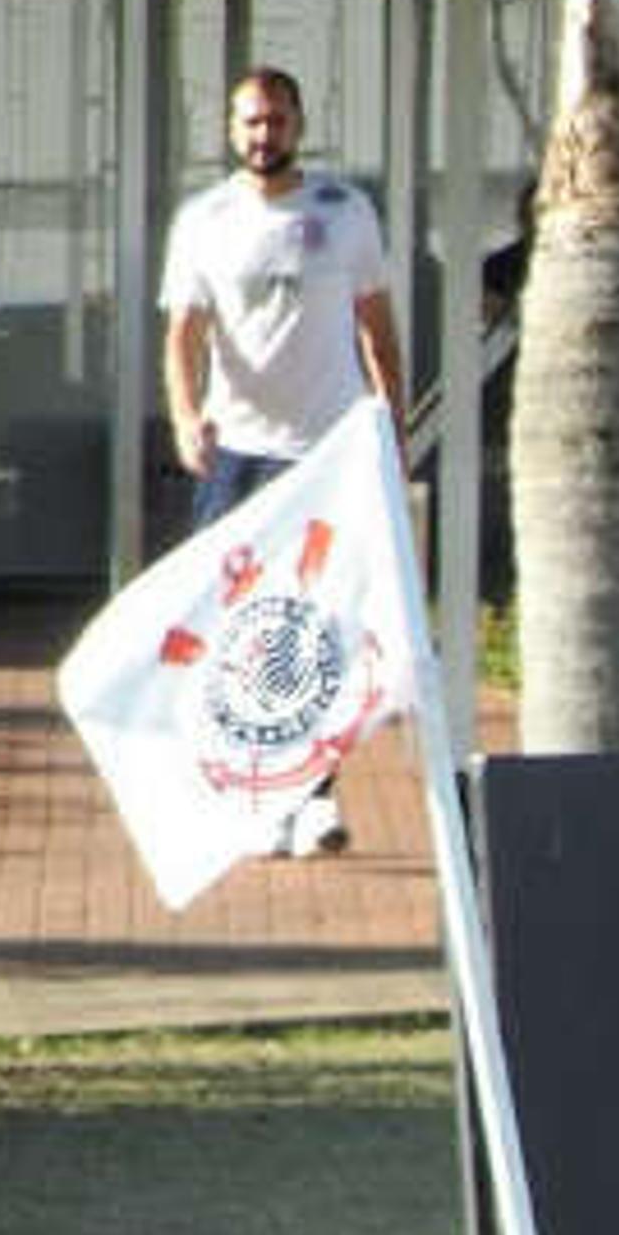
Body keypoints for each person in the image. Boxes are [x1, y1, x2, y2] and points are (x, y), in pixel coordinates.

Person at [158, 65, 407, 858]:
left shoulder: (345, 213)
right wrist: (186, 416)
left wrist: (390, 429)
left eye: (276, 120)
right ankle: (256, 796)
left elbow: (377, 328)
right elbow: (183, 337)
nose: (263, 135)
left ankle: (313, 798)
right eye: (250, 122)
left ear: (300, 123)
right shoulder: (206, 220)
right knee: (237, 630)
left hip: (325, 455)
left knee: (322, 625)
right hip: (237, 454)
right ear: (231, 131)